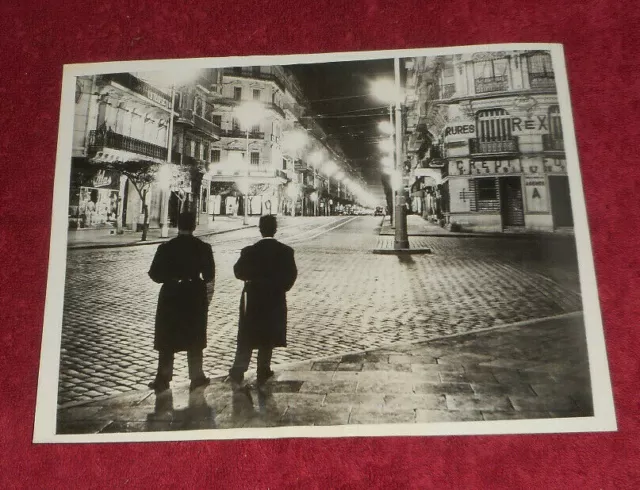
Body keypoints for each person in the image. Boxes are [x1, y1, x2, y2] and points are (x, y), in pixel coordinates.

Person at [147, 211, 215, 393]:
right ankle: (196, 376)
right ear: (194, 226)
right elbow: (209, 275)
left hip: (171, 294)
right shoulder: (203, 248)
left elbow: (154, 274)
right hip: (194, 294)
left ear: (178, 226)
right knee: (195, 336)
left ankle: (163, 378)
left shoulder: (166, 247)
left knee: (167, 337)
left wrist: (171, 278)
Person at [228, 215, 297, 386]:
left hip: (253, 297)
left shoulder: (249, 251)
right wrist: (280, 288)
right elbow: (291, 275)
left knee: (247, 334)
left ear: (260, 229)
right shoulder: (286, 251)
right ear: (275, 229)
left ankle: (239, 370)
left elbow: (238, 272)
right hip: (274, 298)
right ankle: (263, 368)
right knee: (268, 334)